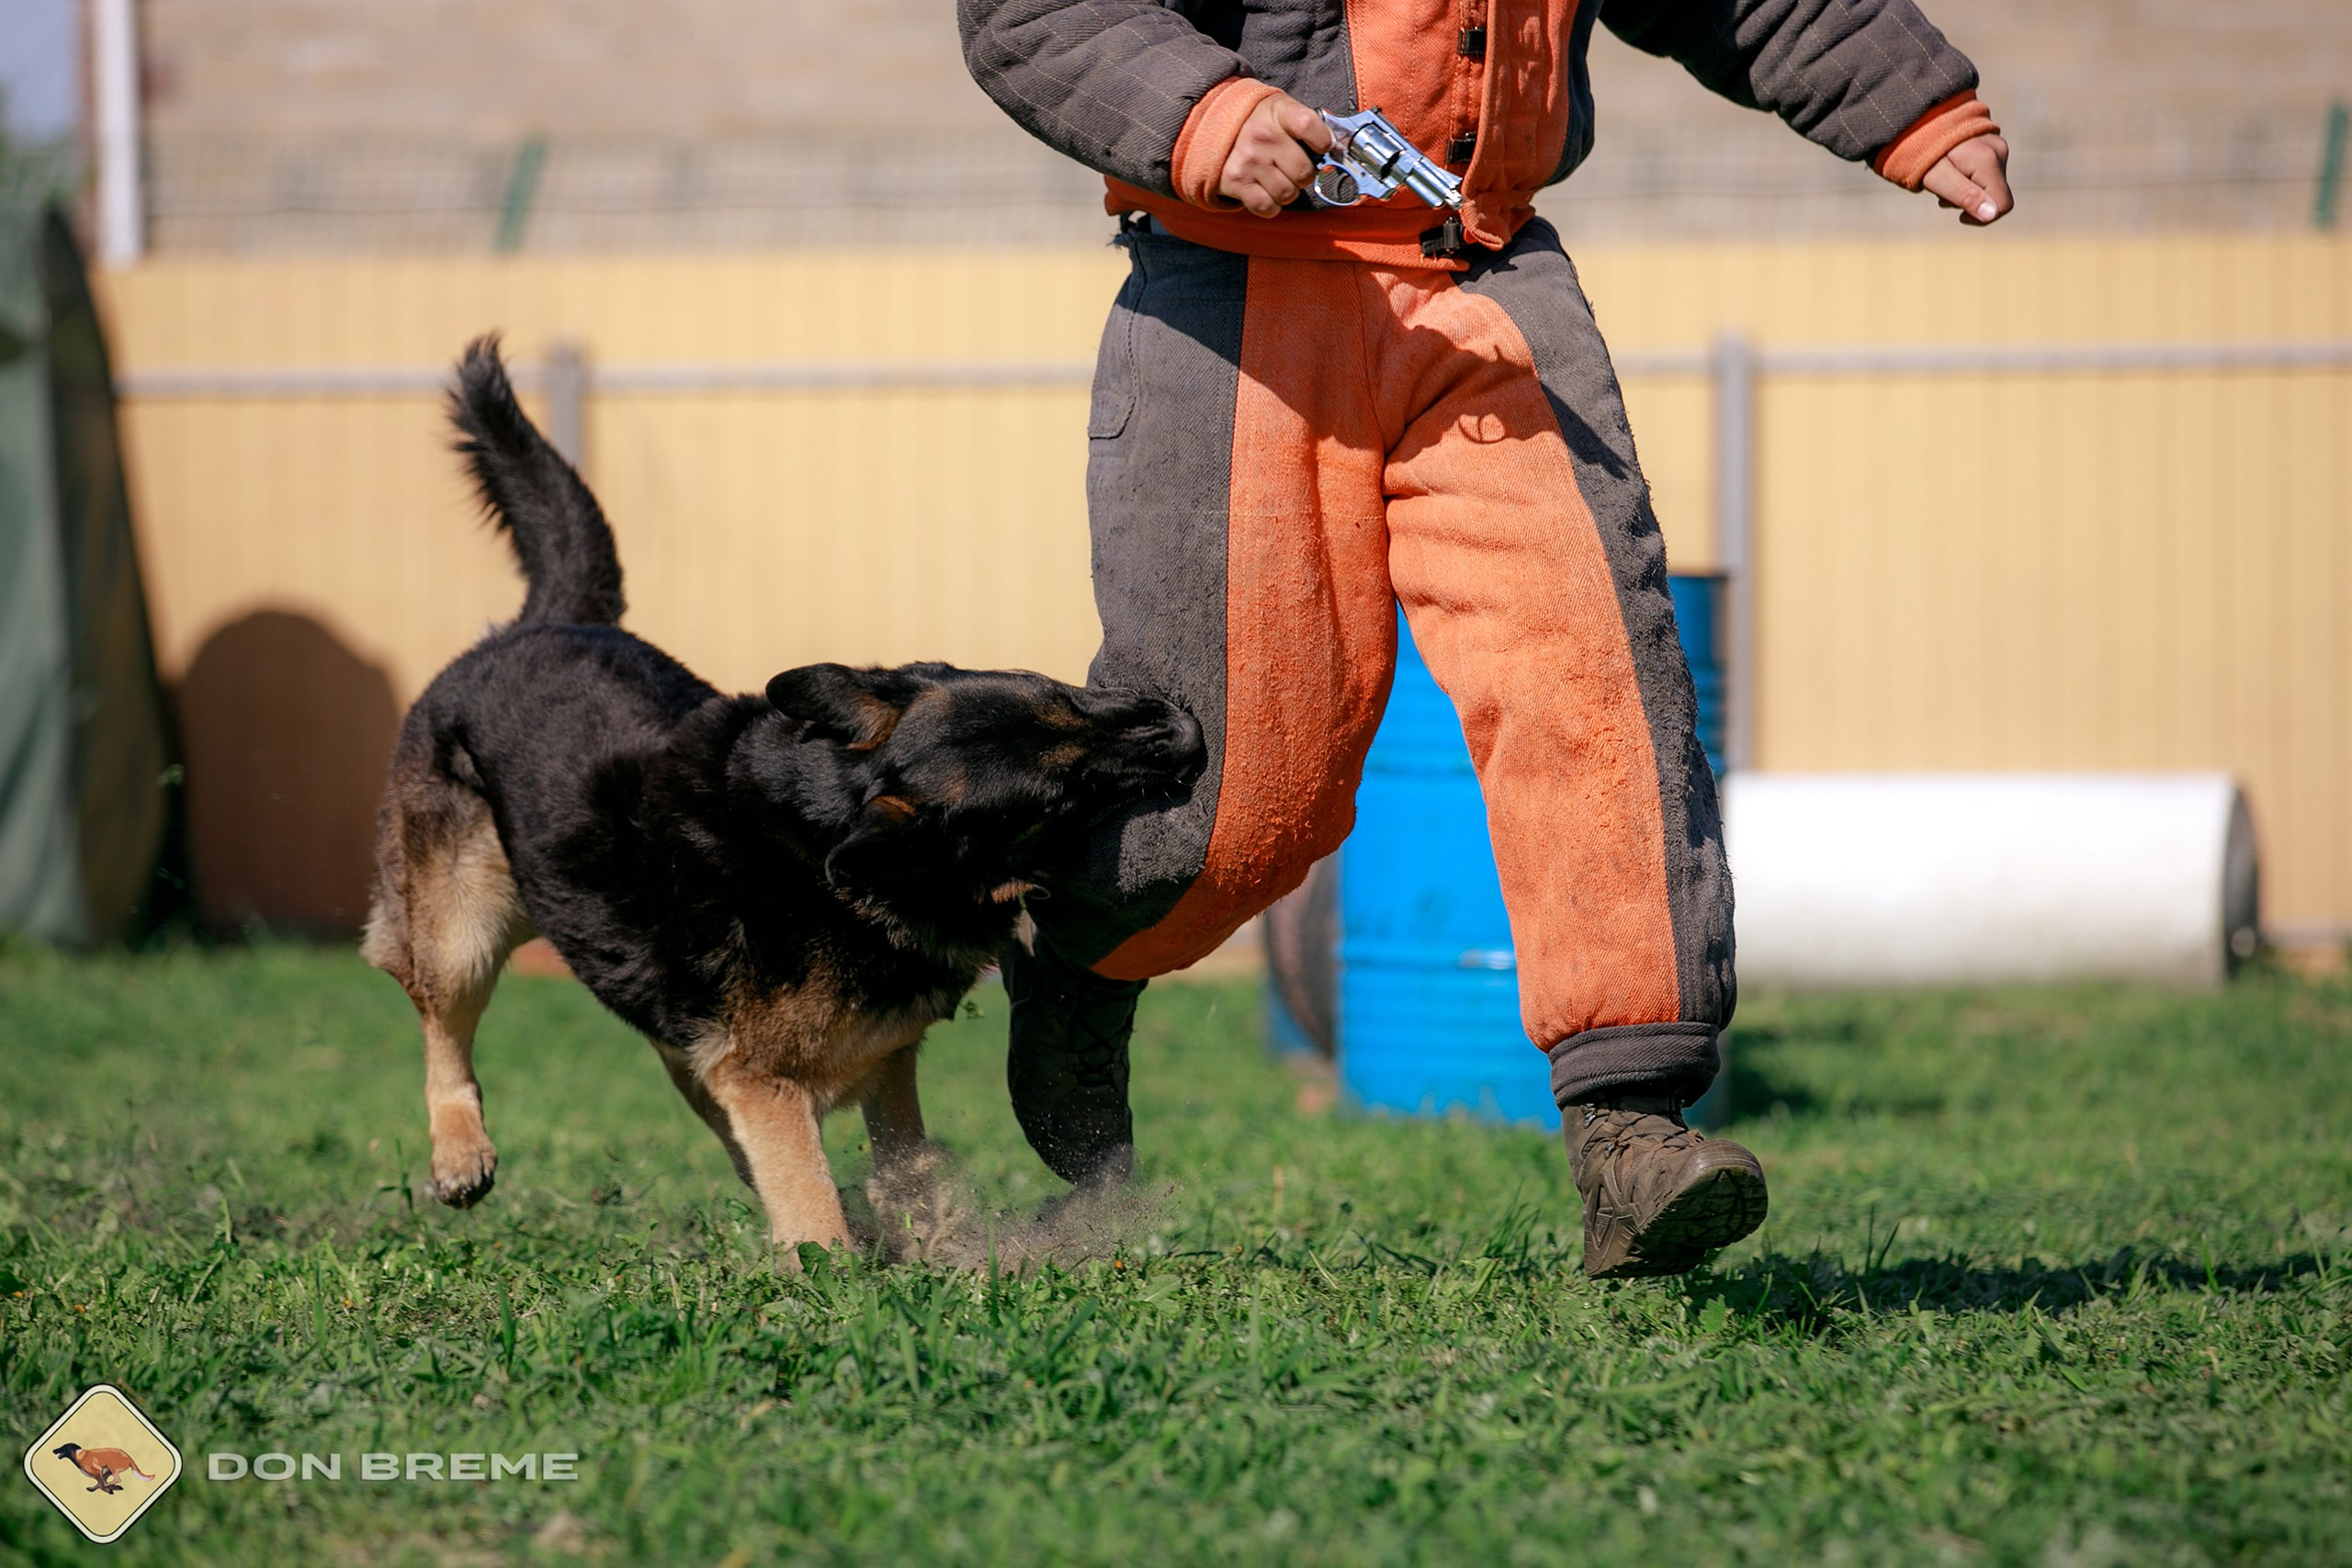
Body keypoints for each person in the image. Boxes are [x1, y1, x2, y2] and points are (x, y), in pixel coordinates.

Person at [959, 0, 2011, 1278]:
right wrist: (1203, 113)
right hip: (1233, 288)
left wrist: (1911, 102)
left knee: (1595, 677)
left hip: (1487, 275)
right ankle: (1082, 953)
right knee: (1238, 799)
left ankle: (1631, 1128)